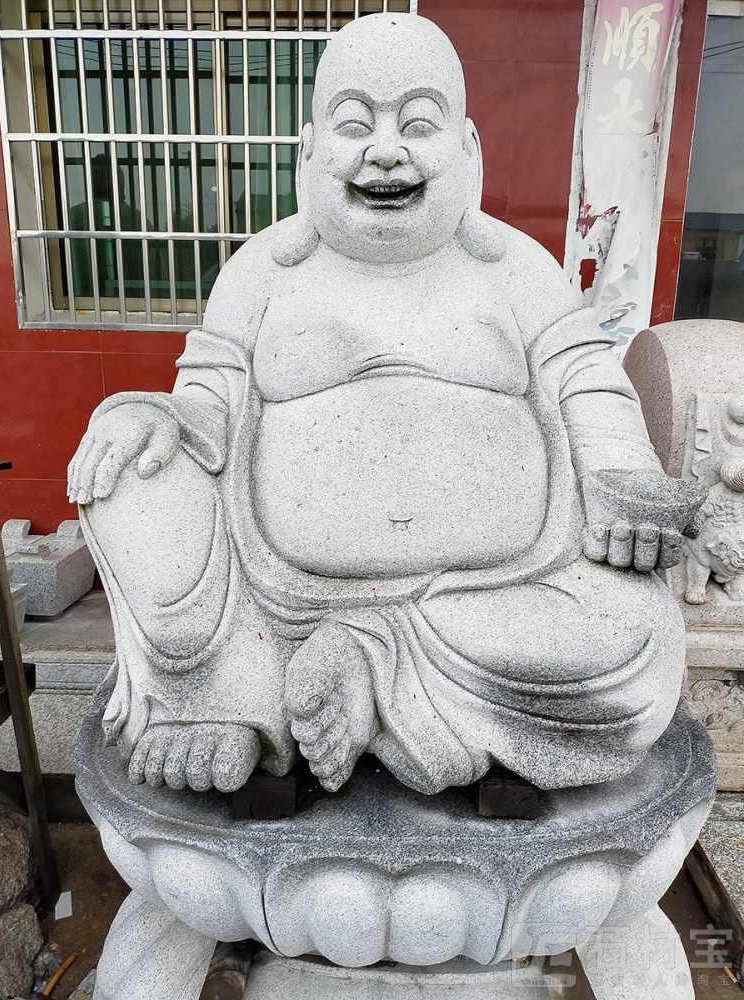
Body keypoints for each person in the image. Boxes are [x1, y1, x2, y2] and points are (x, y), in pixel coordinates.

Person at [68, 13, 700, 796]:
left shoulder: (516, 270)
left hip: (501, 595)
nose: (387, 150)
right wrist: (153, 416)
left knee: (637, 639)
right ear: (309, 151)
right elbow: (206, 410)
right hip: (275, 599)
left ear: (467, 150)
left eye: (419, 123)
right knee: (129, 470)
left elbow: (588, 382)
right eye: (355, 123)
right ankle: (231, 691)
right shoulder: (262, 273)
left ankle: (367, 662)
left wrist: (623, 479)